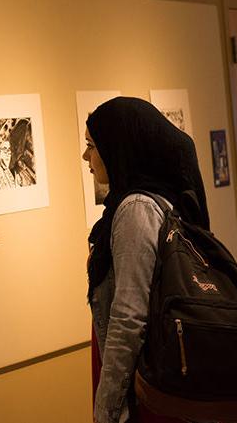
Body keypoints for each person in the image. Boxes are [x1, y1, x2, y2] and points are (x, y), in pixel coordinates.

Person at [83, 97, 209, 423]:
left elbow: (128, 317)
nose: (86, 156)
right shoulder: (163, 198)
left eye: (92, 146)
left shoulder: (135, 209)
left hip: (145, 390)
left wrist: (105, 411)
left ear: (118, 147)